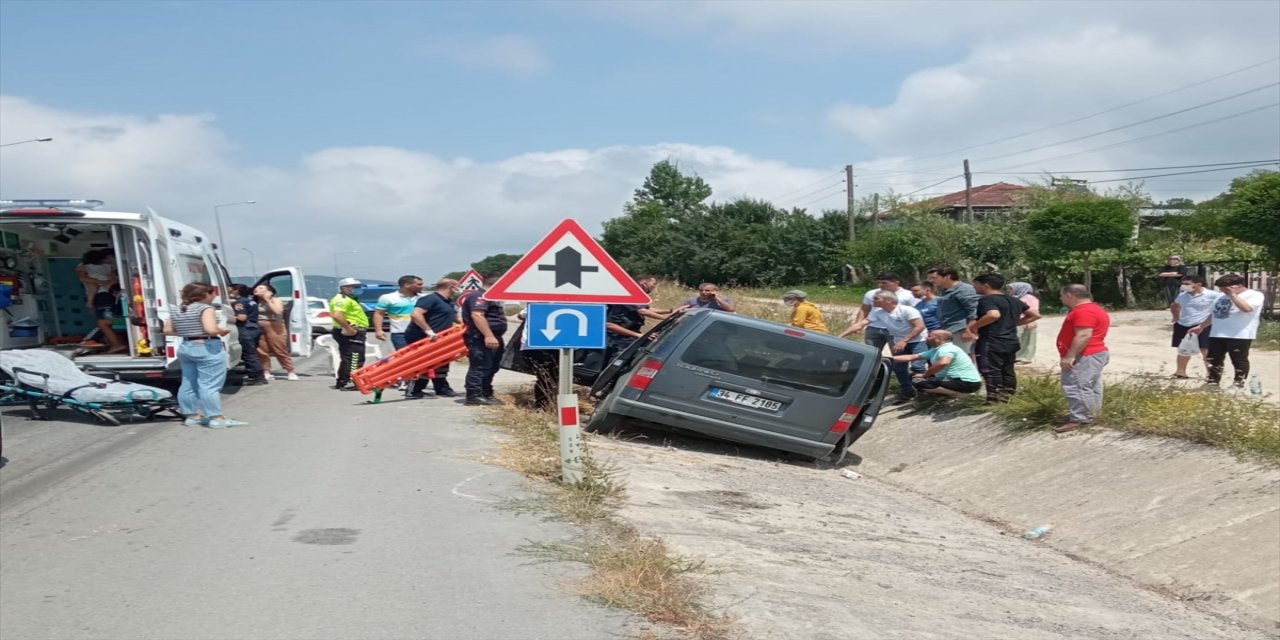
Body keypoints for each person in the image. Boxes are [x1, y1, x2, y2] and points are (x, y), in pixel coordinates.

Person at [162, 282, 246, 428]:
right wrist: (222, 330)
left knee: (188, 383)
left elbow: (167, 330)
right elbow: (210, 329)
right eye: (212, 292)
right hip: (206, 347)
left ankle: (192, 416)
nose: (214, 295)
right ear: (205, 294)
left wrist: (189, 332)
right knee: (209, 385)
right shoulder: (206, 308)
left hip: (186, 346)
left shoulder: (177, 309)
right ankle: (217, 418)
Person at [967, 274, 1039, 404]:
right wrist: (1014, 323)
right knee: (1007, 370)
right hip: (1010, 340)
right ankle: (1008, 398)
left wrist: (974, 326)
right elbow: (1035, 314)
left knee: (990, 370)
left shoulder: (987, 300)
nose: (974, 287)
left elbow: (993, 315)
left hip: (992, 340)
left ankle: (994, 399)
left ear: (985, 285)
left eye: (976, 284)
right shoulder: (1014, 300)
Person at [846, 291, 928, 403]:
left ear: (888, 300)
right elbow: (861, 324)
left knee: (918, 367)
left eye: (876, 298)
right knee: (898, 368)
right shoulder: (878, 312)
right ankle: (908, 391)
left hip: (918, 341)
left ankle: (924, 393)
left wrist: (904, 340)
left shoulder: (907, 310)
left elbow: (919, 327)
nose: (873, 300)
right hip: (899, 341)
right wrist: (840, 336)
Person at [1188, 273, 1265, 389]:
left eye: (1224, 288)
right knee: (1213, 359)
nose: (1222, 291)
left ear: (1237, 286)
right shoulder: (1221, 296)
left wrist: (1233, 295)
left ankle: (1238, 383)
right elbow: (1214, 314)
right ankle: (1213, 382)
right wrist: (1201, 326)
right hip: (1217, 333)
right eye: (1221, 289)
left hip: (1239, 334)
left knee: (1238, 360)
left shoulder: (1254, 295)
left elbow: (1247, 309)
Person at [1055, 284, 1111, 433]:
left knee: (1076, 385)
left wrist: (1070, 356)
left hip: (1086, 354)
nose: (1060, 299)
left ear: (1069, 295)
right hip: (1094, 353)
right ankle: (1091, 415)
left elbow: (1084, 334)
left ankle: (1080, 418)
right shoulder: (1094, 308)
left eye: (1061, 295)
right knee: (1090, 386)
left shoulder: (1084, 311)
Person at [404, 278, 461, 398]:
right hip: (423, 337)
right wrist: (429, 331)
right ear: (451, 287)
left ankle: (441, 388)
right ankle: (414, 390)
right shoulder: (430, 299)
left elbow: (456, 318)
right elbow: (416, 314)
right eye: (458, 286)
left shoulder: (448, 302)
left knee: (441, 363)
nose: (459, 289)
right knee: (423, 365)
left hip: (440, 338)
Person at [604, 275, 680, 359]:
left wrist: (671, 311)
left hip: (627, 335)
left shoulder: (635, 295)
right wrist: (668, 318)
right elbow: (642, 311)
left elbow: (647, 309)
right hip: (617, 337)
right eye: (654, 284)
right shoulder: (628, 294)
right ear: (644, 284)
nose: (654, 287)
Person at [891, 329, 982, 398]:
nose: (926, 337)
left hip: (967, 382)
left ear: (939, 339)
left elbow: (943, 363)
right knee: (913, 377)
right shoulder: (935, 350)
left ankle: (961, 395)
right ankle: (951, 394)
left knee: (918, 381)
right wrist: (889, 358)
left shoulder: (947, 349)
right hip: (955, 380)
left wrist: (925, 375)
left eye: (930, 336)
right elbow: (912, 357)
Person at [461, 275, 508, 406]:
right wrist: (488, 335)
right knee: (480, 366)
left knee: (492, 366)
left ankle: (485, 391)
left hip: (493, 337)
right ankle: (474, 395)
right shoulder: (479, 296)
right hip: (481, 337)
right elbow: (477, 315)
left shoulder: (490, 297)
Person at [839, 273, 916, 353]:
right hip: (873, 328)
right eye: (879, 283)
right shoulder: (871, 294)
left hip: (895, 329)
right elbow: (864, 309)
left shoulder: (908, 295)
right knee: (870, 353)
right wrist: (857, 323)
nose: (880, 285)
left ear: (896, 283)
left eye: (884, 283)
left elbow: (914, 315)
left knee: (897, 354)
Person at [1168, 274, 1220, 379]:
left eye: (1187, 284)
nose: (1184, 286)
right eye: (1183, 284)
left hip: (1202, 325)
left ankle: (1211, 374)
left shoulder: (1213, 295)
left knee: (1206, 350)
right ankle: (1181, 372)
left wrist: (1205, 324)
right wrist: (1176, 317)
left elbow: (1218, 310)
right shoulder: (1182, 295)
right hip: (1183, 324)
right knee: (1183, 349)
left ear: (1198, 284)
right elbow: (1174, 305)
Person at [329, 277, 370, 390]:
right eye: (355, 287)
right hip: (350, 331)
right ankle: (351, 381)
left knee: (349, 357)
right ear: (344, 288)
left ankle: (343, 381)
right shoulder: (342, 299)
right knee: (354, 357)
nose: (358, 289)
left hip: (353, 330)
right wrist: (348, 328)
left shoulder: (351, 299)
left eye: (359, 287)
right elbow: (337, 315)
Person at [926, 267, 980, 353]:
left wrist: (969, 331)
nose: (931, 281)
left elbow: (973, 310)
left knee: (959, 358)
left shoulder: (963, 289)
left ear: (947, 276)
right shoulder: (945, 290)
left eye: (934, 278)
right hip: (948, 329)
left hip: (960, 330)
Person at [254, 283, 297, 381]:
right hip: (259, 325)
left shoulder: (276, 300)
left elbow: (278, 311)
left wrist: (268, 300)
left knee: (279, 348)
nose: (257, 289)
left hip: (274, 325)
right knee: (261, 350)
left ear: (269, 292)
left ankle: (290, 370)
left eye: (260, 288)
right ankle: (266, 371)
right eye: (256, 287)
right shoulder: (255, 301)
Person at [373, 275, 425, 351]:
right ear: (407, 285)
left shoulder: (424, 298)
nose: (422, 287)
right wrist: (378, 330)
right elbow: (379, 314)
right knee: (405, 358)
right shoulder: (388, 298)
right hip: (400, 334)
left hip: (421, 332)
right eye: (419, 284)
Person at [230, 284, 266, 386]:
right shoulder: (251, 301)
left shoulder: (239, 302)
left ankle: (256, 376)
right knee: (252, 352)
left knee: (248, 353)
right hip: (254, 327)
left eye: (230, 291)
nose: (229, 293)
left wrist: (228, 318)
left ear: (237, 291)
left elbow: (242, 317)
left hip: (246, 328)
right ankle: (253, 371)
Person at [88, 283, 128, 354]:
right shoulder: (121, 298)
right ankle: (119, 344)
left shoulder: (121, 298)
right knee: (111, 324)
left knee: (102, 323)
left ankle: (117, 345)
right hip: (125, 319)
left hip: (127, 320)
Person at [1007, 281, 1040, 363]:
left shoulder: (1029, 298)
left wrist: (1031, 321)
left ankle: (1026, 357)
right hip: (1016, 321)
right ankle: (1016, 356)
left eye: (1011, 288)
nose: (1009, 290)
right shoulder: (1015, 298)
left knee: (1028, 339)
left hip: (1025, 321)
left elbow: (1034, 310)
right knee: (1017, 339)